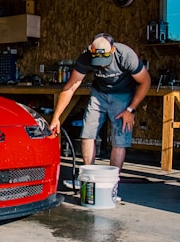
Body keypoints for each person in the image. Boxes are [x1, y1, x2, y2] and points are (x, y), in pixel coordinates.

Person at [50, 33, 151, 177]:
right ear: (91, 50)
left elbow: (145, 81)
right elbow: (70, 87)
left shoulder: (126, 55)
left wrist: (130, 109)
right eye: (98, 61)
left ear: (113, 50)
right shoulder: (86, 56)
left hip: (123, 94)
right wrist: (56, 117)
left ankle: (112, 182)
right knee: (87, 133)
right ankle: (87, 177)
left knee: (119, 139)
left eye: (105, 60)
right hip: (99, 94)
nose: (102, 64)